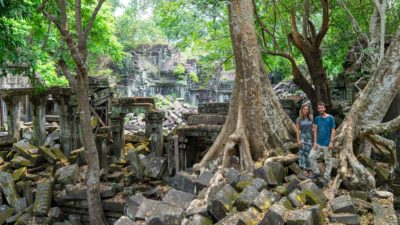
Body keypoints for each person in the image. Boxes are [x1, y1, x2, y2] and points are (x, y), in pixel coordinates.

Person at [308, 101, 336, 186]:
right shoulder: (316, 119)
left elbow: (333, 130)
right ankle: (316, 172)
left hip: (327, 144)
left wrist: (331, 142)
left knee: (328, 160)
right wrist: (315, 142)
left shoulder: (330, 118)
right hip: (319, 143)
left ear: (325, 108)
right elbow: (315, 131)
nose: (321, 109)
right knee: (311, 156)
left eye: (322, 107)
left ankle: (326, 177)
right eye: (319, 108)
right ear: (318, 109)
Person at [295, 104, 313, 176]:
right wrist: (298, 140)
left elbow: (313, 128)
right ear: (302, 110)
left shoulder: (311, 118)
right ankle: (304, 169)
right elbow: (297, 130)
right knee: (303, 153)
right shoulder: (299, 119)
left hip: (310, 137)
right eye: (304, 109)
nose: (305, 110)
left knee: (309, 153)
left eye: (307, 109)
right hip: (303, 136)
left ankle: (310, 168)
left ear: (309, 110)